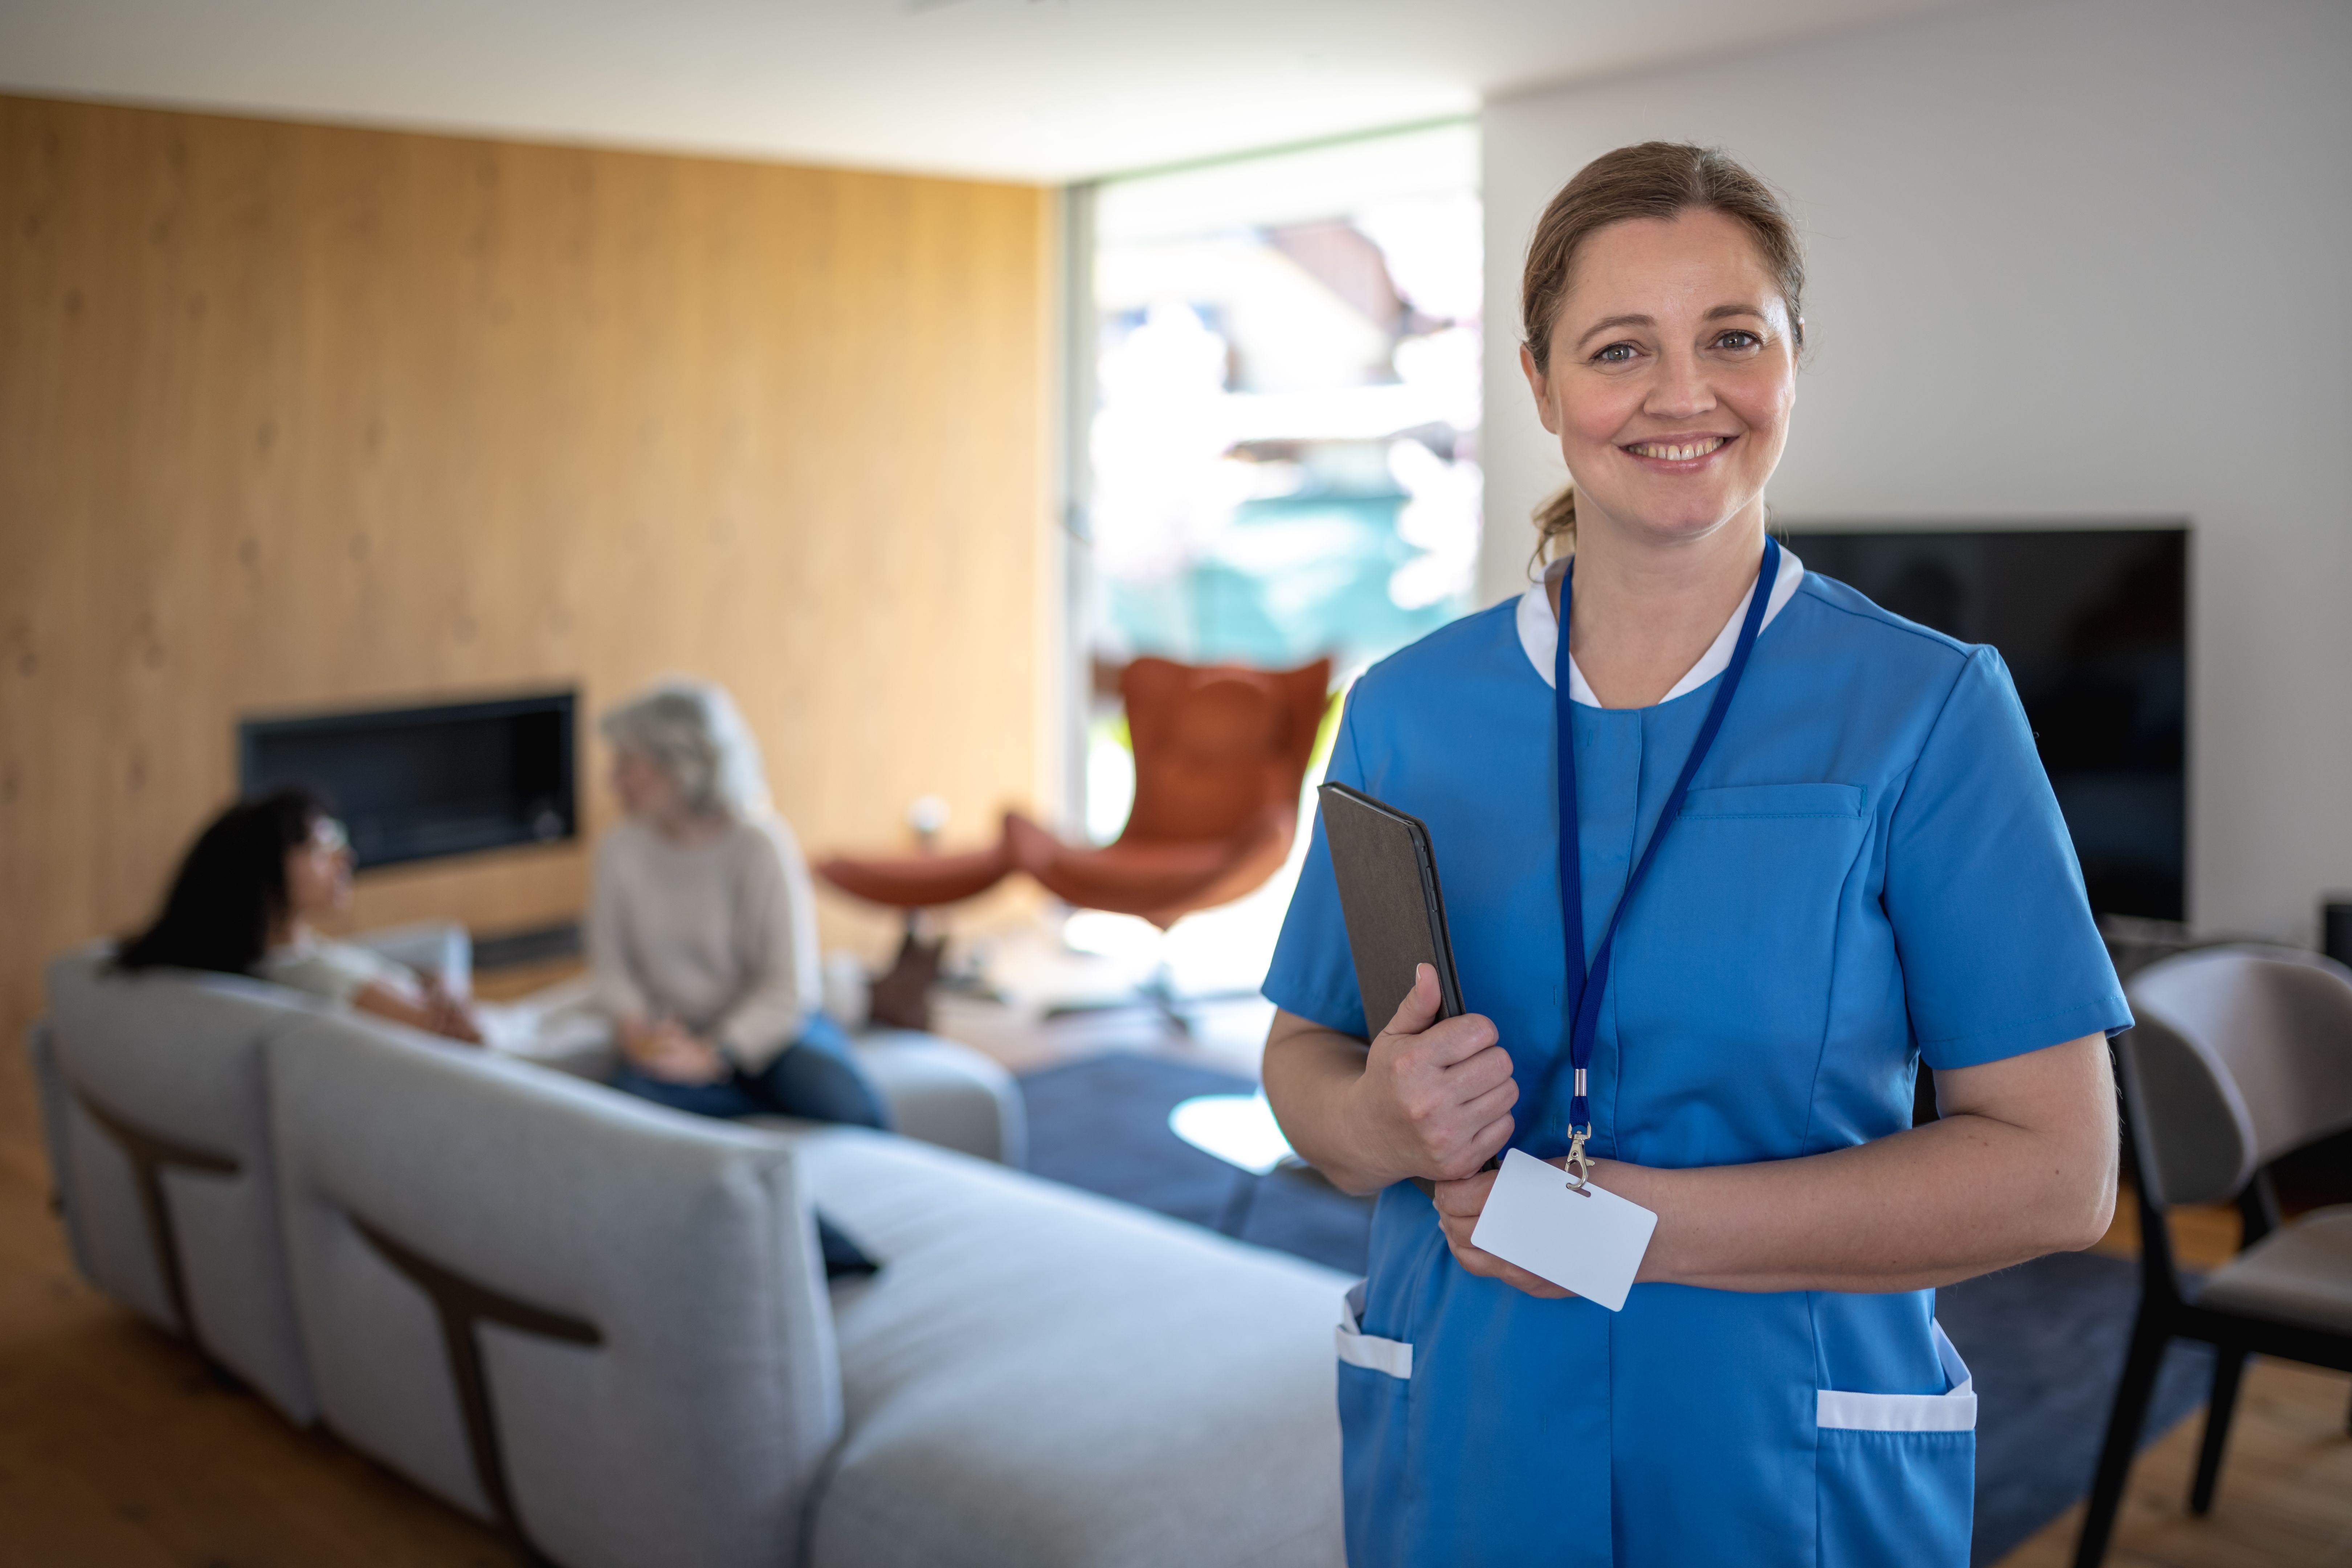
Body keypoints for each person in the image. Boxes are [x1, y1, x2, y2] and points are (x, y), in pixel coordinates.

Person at [1259, 143, 2127, 1568]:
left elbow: (2057, 1173)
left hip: (1785, 1471)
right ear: (1539, 385)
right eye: (1620, 349)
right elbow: (1306, 1060)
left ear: (1794, 359)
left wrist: (1619, 1230)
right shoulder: (1407, 713)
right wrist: (1379, 1126)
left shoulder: (1928, 709)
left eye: (1733, 337)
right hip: (1471, 1442)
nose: (1684, 394)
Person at [591, 680, 890, 1130]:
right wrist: (637, 1030)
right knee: (625, 1105)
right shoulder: (619, 851)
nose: (613, 781)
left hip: (775, 1033)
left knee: (839, 1096)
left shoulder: (760, 846)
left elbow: (787, 989)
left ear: (680, 765)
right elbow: (612, 969)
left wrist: (717, 1054)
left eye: (628, 764)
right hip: (675, 1034)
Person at [117, 788, 483, 1042]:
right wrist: (447, 999)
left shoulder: (290, 956)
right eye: (320, 851)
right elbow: (460, 1036)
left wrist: (443, 985)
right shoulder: (315, 976)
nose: (346, 860)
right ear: (263, 874)